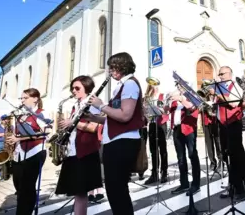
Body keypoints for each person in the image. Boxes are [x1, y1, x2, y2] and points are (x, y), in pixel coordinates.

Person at [87, 52, 143, 215]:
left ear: (122, 66)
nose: (110, 71)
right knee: (114, 189)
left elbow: (125, 116)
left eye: (113, 67)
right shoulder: (122, 85)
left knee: (117, 189)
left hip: (123, 143)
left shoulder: (130, 84)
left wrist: (101, 105)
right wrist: (93, 117)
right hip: (116, 141)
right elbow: (113, 119)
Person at [55, 76, 103, 215]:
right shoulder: (75, 105)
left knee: (81, 192)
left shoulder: (92, 103)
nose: (73, 90)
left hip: (85, 152)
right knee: (77, 193)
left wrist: (73, 123)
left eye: (77, 88)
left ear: (86, 89)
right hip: (72, 151)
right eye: (72, 88)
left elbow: (94, 127)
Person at [6, 88, 48, 215]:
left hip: (35, 152)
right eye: (21, 98)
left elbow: (44, 133)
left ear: (35, 99)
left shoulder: (41, 114)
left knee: (27, 187)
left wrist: (18, 138)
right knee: (18, 186)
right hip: (19, 154)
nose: (22, 101)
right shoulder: (21, 115)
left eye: (25, 98)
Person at [214, 66, 245, 202]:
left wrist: (217, 94)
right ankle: (233, 186)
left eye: (222, 74)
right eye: (219, 74)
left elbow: (234, 103)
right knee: (227, 156)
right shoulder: (221, 87)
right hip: (223, 125)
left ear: (230, 73)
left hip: (233, 124)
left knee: (237, 157)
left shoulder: (236, 86)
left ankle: (243, 189)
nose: (220, 76)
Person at [168, 86, 201, 196]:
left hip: (189, 128)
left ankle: (196, 184)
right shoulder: (176, 99)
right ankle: (184, 183)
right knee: (180, 158)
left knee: (192, 155)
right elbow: (167, 111)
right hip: (177, 128)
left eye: (180, 86)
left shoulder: (191, 96)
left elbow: (192, 107)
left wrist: (181, 98)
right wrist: (167, 102)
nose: (178, 88)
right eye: (177, 86)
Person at [143, 82, 169, 185]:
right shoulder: (147, 98)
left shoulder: (162, 96)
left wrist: (159, 109)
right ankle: (154, 173)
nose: (155, 88)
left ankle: (164, 172)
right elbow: (145, 113)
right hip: (152, 124)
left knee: (162, 149)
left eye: (156, 85)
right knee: (153, 150)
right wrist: (145, 111)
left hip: (161, 124)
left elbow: (165, 110)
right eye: (153, 86)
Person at [0, 115, 14, 181]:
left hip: (7, 143)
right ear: (1, 120)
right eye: (5, 119)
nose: (6, 120)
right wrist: (5, 134)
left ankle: (7, 175)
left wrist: (0, 134)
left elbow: (12, 134)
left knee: (9, 160)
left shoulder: (11, 127)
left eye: (7, 119)